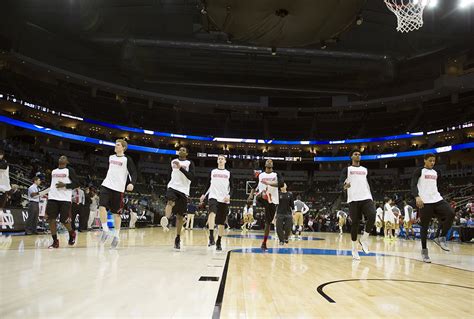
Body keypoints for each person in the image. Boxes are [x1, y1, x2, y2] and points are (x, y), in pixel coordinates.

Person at [411, 153, 455, 263]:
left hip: (437, 199)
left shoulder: (436, 172)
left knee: (450, 213)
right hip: (424, 202)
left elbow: (435, 186)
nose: (432, 163)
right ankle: (424, 251)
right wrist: (417, 197)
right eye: (430, 160)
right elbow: (413, 185)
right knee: (424, 226)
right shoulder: (419, 171)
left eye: (434, 161)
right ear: (425, 160)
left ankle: (441, 237)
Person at [98, 139, 137, 249]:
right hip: (106, 185)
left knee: (116, 214)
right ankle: (105, 230)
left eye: (118, 145)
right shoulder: (111, 157)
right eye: (115, 144)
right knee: (101, 207)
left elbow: (133, 173)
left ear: (123, 147)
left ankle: (116, 236)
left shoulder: (127, 159)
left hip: (118, 189)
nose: (115, 146)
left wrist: (132, 183)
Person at [339, 149, 376, 261]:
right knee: (355, 223)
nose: (358, 155)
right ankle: (354, 250)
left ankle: (364, 239)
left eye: (359, 154)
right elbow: (341, 181)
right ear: (351, 157)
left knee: (372, 215)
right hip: (353, 199)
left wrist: (372, 197)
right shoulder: (347, 169)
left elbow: (370, 184)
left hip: (366, 197)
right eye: (355, 154)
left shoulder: (365, 170)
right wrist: (344, 186)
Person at [248, 159, 284, 251]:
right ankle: (263, 195)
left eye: (271, 161)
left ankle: (264, 243)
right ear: (265, 164)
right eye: (267, 161)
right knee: (261, 195)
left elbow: (281, 184)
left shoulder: (276, 174)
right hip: (262, 198)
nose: (269, 162)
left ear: (272, 165)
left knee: (268, 223)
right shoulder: (260, 175)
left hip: (272, 201)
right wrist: (251, 196)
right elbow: (254, 186)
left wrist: (269, 183)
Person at [163, 147, 195, 250]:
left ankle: (177, 238)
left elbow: (191, 177)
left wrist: (181, 167)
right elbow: (169, 175)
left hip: (184, 190)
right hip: (172, 187)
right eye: (180, 150)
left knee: (180, 216)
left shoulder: (190, 163)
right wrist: (167, 186)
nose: (181, 151)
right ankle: (166, 221)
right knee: (169, 200)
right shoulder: (173, 161)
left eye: (184, 150)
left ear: (187, 153)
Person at [45, 156, 79, 249]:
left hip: (65, 199)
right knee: (51, 220)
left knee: (64, 220)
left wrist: (65, 185)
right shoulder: (53, 171)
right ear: (58, 160)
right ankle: (55, 241)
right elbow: (51, 185)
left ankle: (72, 233)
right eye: (60, 157)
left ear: (67, 162)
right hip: (52, 197)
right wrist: (41, 193)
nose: (62, 157)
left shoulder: (69, 170)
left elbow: (77, 183)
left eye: (64, 157)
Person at [200, 155, 232, 251]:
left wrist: (229, 195)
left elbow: (232, 187)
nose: (220, 160)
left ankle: (219, 241)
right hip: (213, 196)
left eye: (222, 159)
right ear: (217, 161)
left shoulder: (229, 173)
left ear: (225, 161)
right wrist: (203, 194)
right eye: (219, 159)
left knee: (221, 223)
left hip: (224, 199)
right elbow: (208, 184)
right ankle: (211, 236)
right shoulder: (212, 172)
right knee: (211, 213)